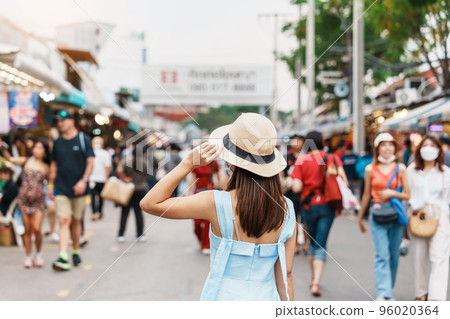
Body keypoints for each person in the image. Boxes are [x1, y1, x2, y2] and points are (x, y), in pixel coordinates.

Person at [140, 113, 296, 301]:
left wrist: (187, 164)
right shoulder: (287, 208)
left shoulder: (215, 202)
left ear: (231, 162)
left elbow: (150, 203)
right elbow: (285, 277)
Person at [290, 130, 347, 297]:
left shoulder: (301, 160)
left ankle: (313, 276)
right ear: (322, 141)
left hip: (308, 206)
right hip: (327, 205)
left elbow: (296, 188)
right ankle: (316, 282)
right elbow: (343, 180)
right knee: (321, 244)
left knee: (312, 243)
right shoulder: (333, 158)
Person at [358, 133, 410, 301]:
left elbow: (408, 194)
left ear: (395, 148)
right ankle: (384, 292)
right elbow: (366, 195)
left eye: (390, 145)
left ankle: (388, 288)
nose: (387, 148)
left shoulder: (400, 168)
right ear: (377, 148)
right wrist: (360, 218)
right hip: (377, 214)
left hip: (396, 214)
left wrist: (391, 192)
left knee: (394, 254)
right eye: (383, 145)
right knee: (382, 255)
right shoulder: (369, 168)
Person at [48, 110, 95, 271]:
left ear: (71, 121)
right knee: (64, 220)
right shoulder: (57, 142)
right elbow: (54, 165)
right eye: (58, 121)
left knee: (76, 221)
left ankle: (75, 251)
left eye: (62, 120)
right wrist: (50, 185)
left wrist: (84, 180)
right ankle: (63, 256)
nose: (60, 123)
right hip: (61, 187)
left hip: (79, 189)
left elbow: (90, 162)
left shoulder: (84, 140)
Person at [407, 136, 450, 301]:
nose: (429, 148)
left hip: (440, 216)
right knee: (419, 257)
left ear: (439, 150)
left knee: (439, 258)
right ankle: (421, 294)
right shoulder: (412, 170)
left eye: (433, 145)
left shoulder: (446, 172)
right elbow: (407, 194)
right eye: (425, 145)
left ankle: (436, 300)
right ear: (419, 149)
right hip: (418, 215)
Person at [2, 140, 50, 268]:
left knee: (38, 228)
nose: (36, 150)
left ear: (45, 151)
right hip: (23, 199)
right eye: (35, 147)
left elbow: (51, 182)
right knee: (27, 229)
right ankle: (28, 256)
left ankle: (39, 254)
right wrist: (3, 147)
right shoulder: (27, 161)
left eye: (39, 148)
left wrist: (51, 195)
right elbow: (10, 159)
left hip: (38, 200)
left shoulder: (47, 167)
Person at [116, 145, 149, 243]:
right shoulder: (144, 162)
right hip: (141, 189)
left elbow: (118, 170)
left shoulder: (126, 160)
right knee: (138, 212)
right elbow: (148, 174)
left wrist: (124, 178)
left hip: (128, 189)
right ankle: (140, 235)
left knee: (124, 212)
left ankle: (121, 235)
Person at [189, 155, 221, 255]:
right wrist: (189, 192)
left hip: (210, 193)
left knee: (207, 222)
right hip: (198, 193)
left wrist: (222, 188)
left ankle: (206, 245)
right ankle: (201, 240)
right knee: (197, 223)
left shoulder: (213, 163)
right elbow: (192, 179)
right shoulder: (196, 163)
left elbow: (218, 176)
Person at [282, 133, 306, 255]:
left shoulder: (307, 156)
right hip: (290, 194)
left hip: (305, 192)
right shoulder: (286, 157)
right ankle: (295, 245)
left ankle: (306, 244)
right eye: (294, 140)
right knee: (293, 220)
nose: (296, 142)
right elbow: (281, 174)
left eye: (298, 140)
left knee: (306, 219)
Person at [90, 136, 112, 221]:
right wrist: (106, 179)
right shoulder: (105, 153)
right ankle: (99, 211)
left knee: (93, 197)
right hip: (102, 179)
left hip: (92, 179)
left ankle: (94, 213)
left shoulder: (91, 153)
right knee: (101, 197)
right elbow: (107, 167)